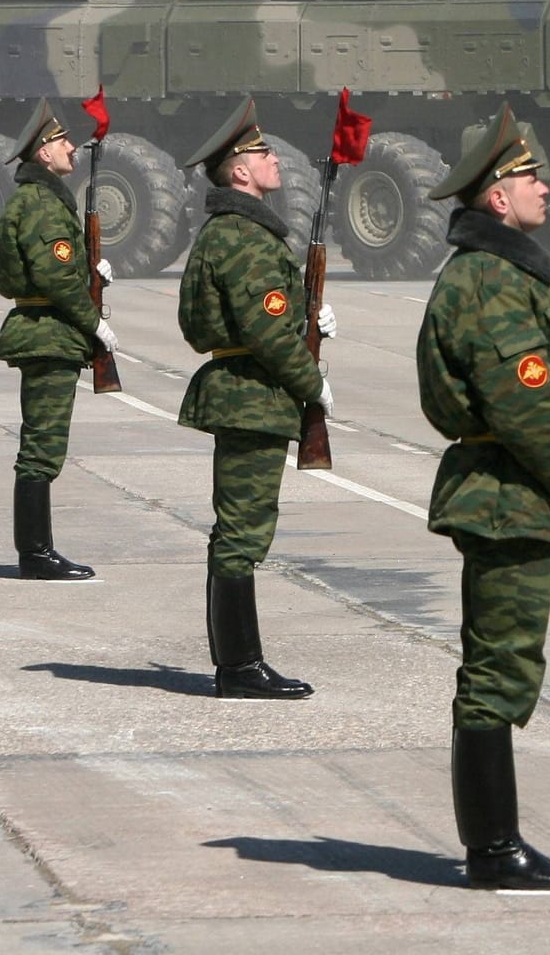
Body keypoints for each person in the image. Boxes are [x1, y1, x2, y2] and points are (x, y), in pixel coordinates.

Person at [415, 105, 550, 891]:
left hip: (505, 488)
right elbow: (521, 408)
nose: (544, 187)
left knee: (497, 667)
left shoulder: (492, 274)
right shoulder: (492, 280)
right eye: (529, 177)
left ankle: (494, 845)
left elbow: (520, 392)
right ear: (497, 198)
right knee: (498, 672)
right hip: (507, 496)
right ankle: (494, 850)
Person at [177, 99, 334, 699]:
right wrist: (311, 380)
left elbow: (204, 324)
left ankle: (237, 662)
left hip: (244, 392)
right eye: (262, 152)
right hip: (253, 397)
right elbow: (265, 331)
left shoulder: (227, 232)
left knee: (237, 530)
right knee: (242, 533)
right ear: (238, 171)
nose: (274, 160)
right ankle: (239, 667)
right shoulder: (246, 237)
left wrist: (308, 317)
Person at [0, 101, 118, 581]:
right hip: (49, 336)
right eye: (62, 141)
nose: (70, 148)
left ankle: (36, 549)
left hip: (43, 331)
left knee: (40, 444)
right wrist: (93, 323)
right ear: (43, 154)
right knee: (42, 447)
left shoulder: (32, 200)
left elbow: (25, 272)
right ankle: (36, 553)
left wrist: (88, 269)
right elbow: (55, 276)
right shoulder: (41, 203)